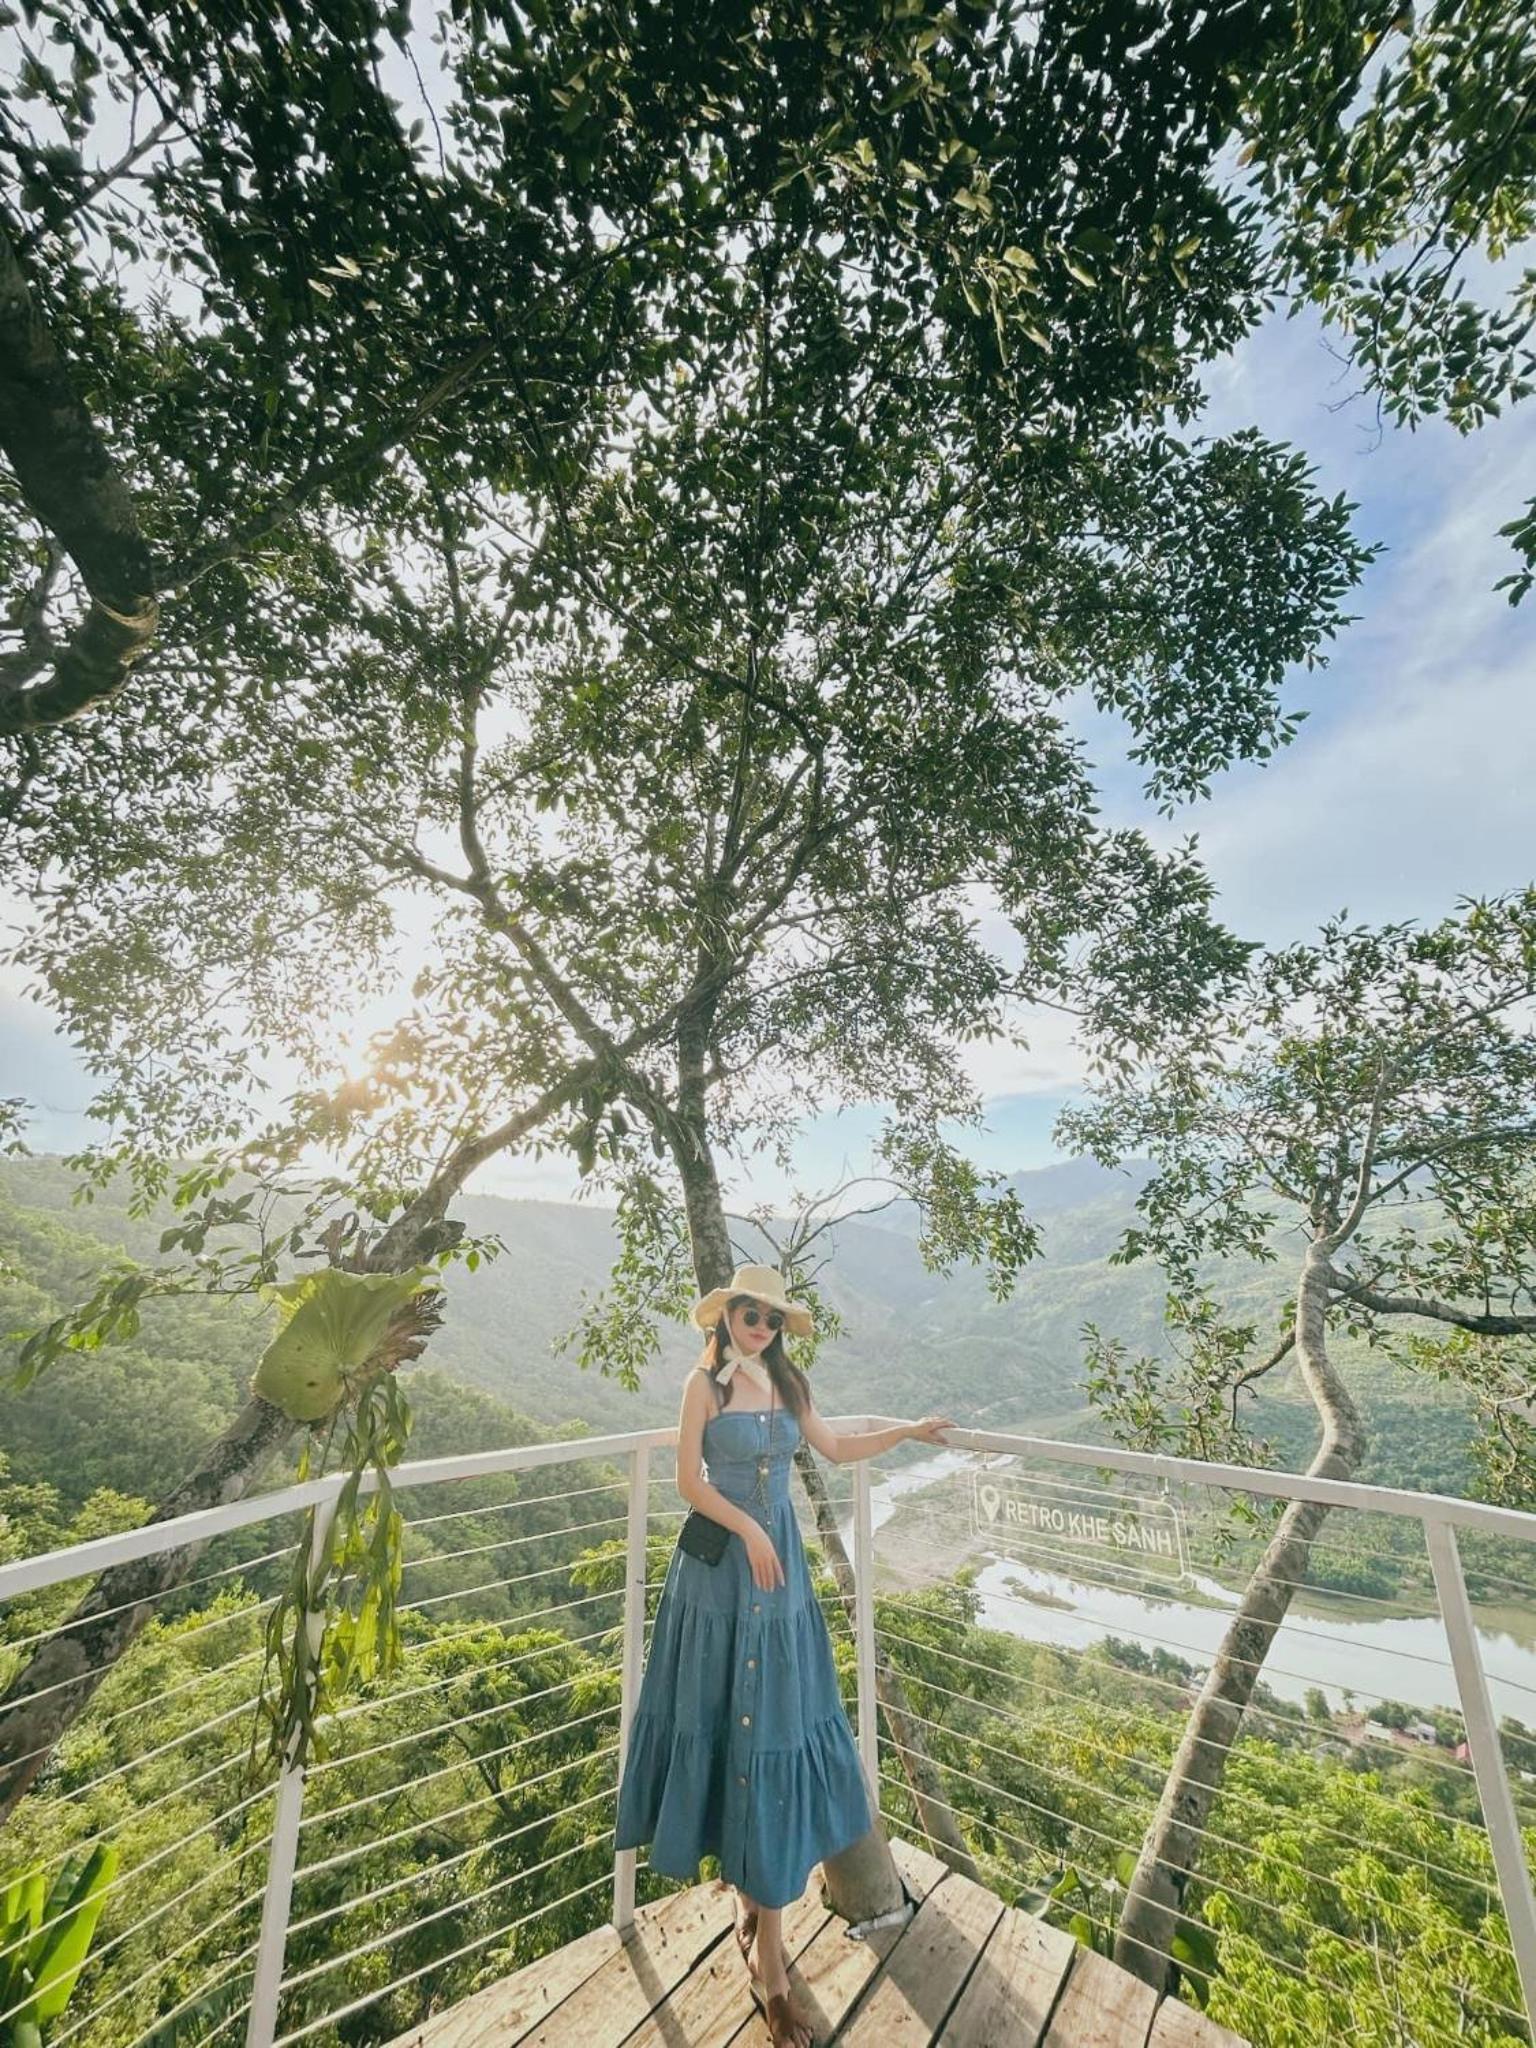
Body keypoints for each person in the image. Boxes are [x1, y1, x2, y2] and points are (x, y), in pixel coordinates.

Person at [613, 1262, 955, 2048]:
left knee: (773, 1730)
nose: (761, 1328)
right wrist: (750, 1529)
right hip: (721, 1578)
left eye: (772, 1319)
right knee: (723, 1724)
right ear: (726, 1315)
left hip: (781, 1582)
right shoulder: (703, 1387)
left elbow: (834, 1447)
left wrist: (906, 1432)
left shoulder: (788, 1383)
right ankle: (763, 1950)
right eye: (751, 1315)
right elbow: (687, 1482)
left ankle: (767, 1949)